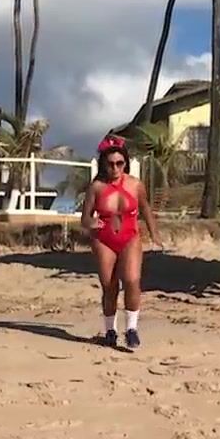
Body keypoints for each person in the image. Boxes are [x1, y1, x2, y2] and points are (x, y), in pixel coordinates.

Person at [81, 135, 160, 348]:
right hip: (104, 240)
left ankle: (132, 329)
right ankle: (110, 330)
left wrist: (154, 233)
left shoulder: (135, 185)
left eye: (119, 163)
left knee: (132, 280)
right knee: (109, 286)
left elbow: (145, 209)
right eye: (110, 164)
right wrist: (91, 223)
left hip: (129, 237)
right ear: (103, 164)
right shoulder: (96, 187)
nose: (115, 168)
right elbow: (84, 219)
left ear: (125, 163)